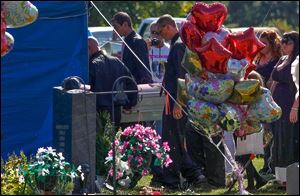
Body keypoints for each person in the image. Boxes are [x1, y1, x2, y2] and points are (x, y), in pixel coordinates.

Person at [152, 14, 206, 189]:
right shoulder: (179, 44)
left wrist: (178, 103)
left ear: (168, 26)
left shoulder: (178, 46)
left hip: (176, 100)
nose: (160, 36)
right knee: (174, 139)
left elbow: (182, 77)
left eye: (160, 31)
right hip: (174, 98)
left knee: (172, 140)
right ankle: (192, 174)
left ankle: (175, 179)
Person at [268, 31, 299, 186]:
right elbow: (273, 81)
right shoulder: (282, 59)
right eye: (283, 41)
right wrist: (269, 102)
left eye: (289, 42)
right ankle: (281, 177)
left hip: (291, 106)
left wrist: (295, 108)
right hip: (278, 107)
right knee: (279, 139)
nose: (285, 44)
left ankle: (292, 178)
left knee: (290, 139)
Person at [88, 36, 137, 126]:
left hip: (99, 111)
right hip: (116, 110)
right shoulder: (117, 61)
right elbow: (131, 83)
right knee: (114, 138)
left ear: (89, 49)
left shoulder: (92, 65)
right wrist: (129, 104)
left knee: (101, 138)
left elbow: (87, 88)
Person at [253, 30, 282, 175]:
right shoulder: (257, 59)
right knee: (263, 133)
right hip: (256, 100)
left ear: (272, 44)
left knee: (271, 132)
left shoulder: (277, 60)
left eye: (264, 43)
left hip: (271, 99)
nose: (261, 45)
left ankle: (272, 165)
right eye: (260, 42)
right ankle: (265, 164)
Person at [235, 70, 268, 192]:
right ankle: (259, 180)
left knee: (244, 156)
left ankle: (252, 185)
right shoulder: (259, 95)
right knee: (244, 156)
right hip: (251, 128)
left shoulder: (252, 96)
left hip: (248, 128)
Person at [111, 12, 152, 84]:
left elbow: (143, 67)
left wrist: (143, 87)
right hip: (128, 83)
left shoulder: (137, 41)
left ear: (125, 24)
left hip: (137, 86)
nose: (114, 30)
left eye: (116, 27)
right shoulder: (126, 40)